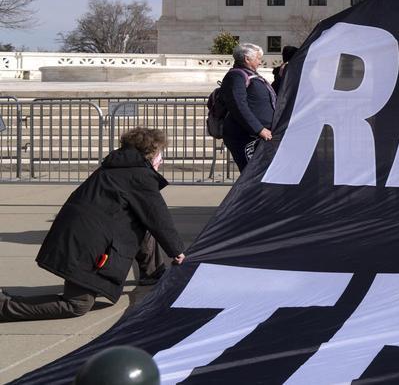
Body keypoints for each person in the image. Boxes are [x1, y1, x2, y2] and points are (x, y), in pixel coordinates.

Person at [0, 128, 185, 321]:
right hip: (85, 244)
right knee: (77, 304)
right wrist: (177, 252)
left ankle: (152, 272)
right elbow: (159, 217)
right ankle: (4, 307)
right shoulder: (138, 176)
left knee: (139, 218)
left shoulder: (118, 168)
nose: (161, 160)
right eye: (160, 154)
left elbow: (147, 218)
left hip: (78, 235)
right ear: (149, 154)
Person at [221, 43, 277, 172]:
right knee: (252, 175)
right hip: (245, 136)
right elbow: (238, 106)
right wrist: (259, 129)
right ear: (247, 59)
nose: (260, 62)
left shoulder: (251, 75)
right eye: (257, 58)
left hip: (259, 135)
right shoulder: (236, 76)